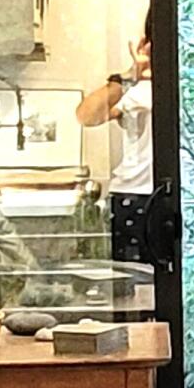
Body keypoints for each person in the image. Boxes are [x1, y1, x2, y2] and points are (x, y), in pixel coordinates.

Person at [77, 14, 158, 264]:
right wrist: (130, 76)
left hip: (174, 195)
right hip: (135, 196)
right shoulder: (135, 88)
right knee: (132, 286)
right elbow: (87, 116)